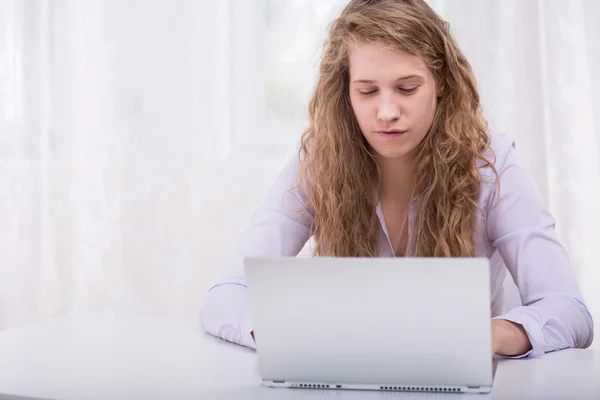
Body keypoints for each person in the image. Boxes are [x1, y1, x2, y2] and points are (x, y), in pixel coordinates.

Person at [200, 0, 594, 358]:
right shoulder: (319, 161)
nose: (387, 111)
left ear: (441, 86)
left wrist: (492, 334)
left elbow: (569, 310)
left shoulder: (491, 165)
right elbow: (224, 296)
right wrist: (285, 332)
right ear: (346, 94)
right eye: (367, 91)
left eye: (407, 88)